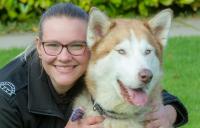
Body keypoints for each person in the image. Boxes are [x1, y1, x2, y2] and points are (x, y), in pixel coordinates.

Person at [0, 3, 188, 128]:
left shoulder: (93, 67)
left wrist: (170, 113)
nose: (64, 57)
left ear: (91, 45)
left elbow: (154, 91)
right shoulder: (6, 99)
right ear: (39, 46)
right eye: (53, 45)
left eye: (76, 45)